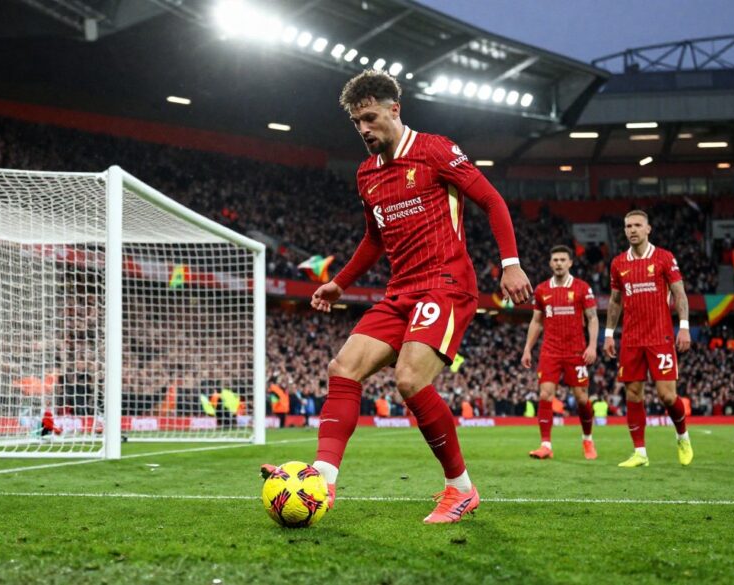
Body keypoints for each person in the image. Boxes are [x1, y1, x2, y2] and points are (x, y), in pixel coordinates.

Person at [266, 70, 531, 524]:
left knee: (410, 379)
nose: (364, 129)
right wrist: (340, 283)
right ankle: (323, 480)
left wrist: (510, 264)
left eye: (370, 118)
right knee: (342, 367)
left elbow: (492, 201)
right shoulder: (367, 174)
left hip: (447, 282)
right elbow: (374, 238)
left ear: (395, 109)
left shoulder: (435, 150)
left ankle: (461, 490)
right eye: (356, 123)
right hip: (400, 290)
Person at [604, 210, 693, 467]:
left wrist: (684, 327)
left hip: (660, 337)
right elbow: (615, 301)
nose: (632, 230)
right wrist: (609, 334)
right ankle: (640, 453)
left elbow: (680, 295)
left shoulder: (664, 258)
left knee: (667, 396)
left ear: (648, 229)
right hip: (631, 339)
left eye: (637, 225)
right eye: (628, 226)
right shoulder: (619, 263)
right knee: (633, 394)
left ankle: (682, 436)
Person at [521, 245, 599, 460]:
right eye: (555, 260)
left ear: (570, 262)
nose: (558, 263)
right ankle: (545, 445)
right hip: (550, 351)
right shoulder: (542, 290)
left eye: (562, 259)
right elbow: (536, 322)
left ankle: (587, 440)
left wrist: (592, 346)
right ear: (550, 263)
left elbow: (592, 318)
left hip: (576, 351)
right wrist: (528, 348)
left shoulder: (583, 288)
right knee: (545, 394)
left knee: (582, 398)